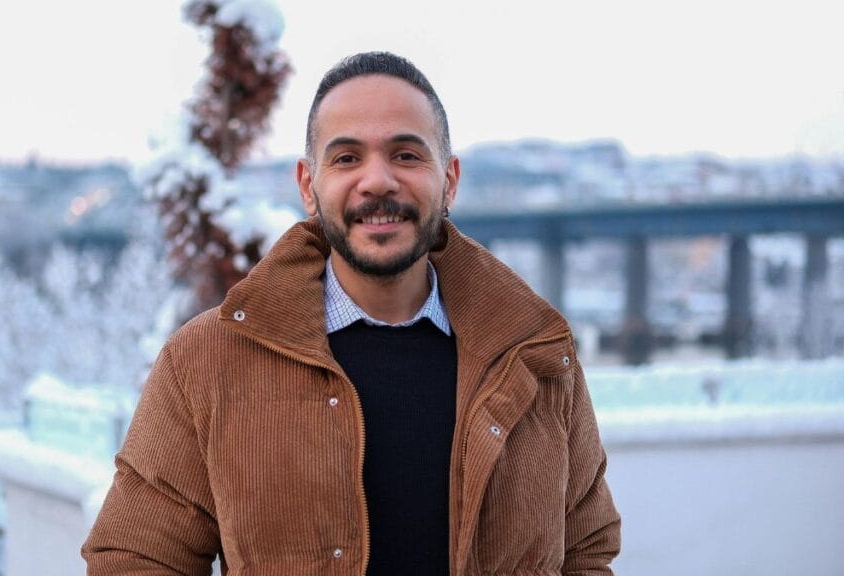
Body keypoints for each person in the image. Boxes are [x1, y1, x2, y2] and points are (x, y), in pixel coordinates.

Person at [83, 51, 621, 575]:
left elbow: (587, 554)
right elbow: (135, 560)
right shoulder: (206, 360)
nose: (377, 181)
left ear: (450, 179)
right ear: (308, 186)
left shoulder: (536, 355)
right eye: (346, 158)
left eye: (406, 155)